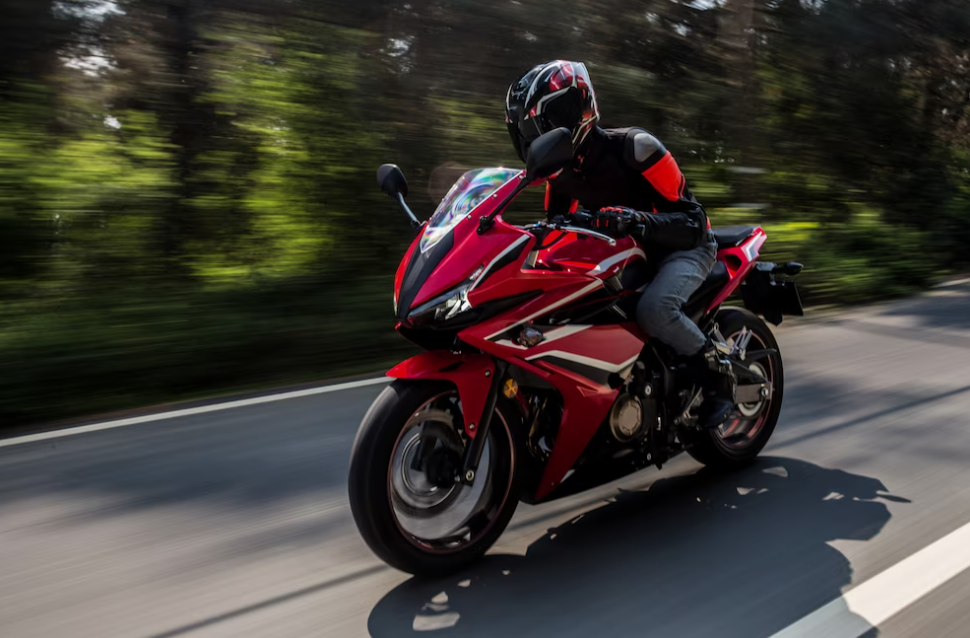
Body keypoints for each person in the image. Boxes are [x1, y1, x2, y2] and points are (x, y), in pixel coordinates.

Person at [504, 60, 734, 429]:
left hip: (684, 249)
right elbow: (554, 232)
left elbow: (693, 222)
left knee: (654, 310)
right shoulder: (559, 177)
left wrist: (637, 221)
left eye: (546, 121)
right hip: (627, 257)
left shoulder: (635, 148)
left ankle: (718, 377)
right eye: (529, 129)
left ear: (579, 107)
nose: (539, 135)